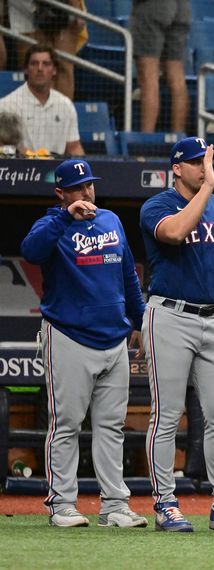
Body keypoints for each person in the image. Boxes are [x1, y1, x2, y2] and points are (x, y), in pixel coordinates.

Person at [20, 159, 147, 528]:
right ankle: (61, 504)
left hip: (114, 339)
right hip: (69, 336)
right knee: (67, 424)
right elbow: (30, 250)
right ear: (61, 193)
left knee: (111, 426)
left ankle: (114, 506)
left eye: (89, 185)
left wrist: (139, 321)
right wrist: (65, 217)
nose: (87, 193)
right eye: (77, 187)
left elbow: (127, 275)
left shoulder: (110, 220)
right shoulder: (51, 224)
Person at [139, 137, 214, 532]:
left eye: (208, 161)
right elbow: (177, 232)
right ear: (177, 168)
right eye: (198, 162)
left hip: (211, 318)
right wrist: (209, 188)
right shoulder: (158, 205)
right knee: (167, 414)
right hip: (169, 315)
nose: (205, 167)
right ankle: (165, 502)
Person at [0, 44, 83, 156]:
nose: (40, 68)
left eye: (46, 64)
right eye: (34, 63)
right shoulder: (7, 105)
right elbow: (4, 149)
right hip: (22, 170)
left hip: (56, 170)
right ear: (26, 69)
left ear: (54, 70)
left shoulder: (66, 105)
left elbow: (74, 148)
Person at [130, 0, 190, 133]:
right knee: (177, 77)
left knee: (148, 77)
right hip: (181, 7)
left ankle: (145, 142)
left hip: (152, 6)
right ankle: (178, 140)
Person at [9, 0, 86, 99]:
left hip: (66, 10)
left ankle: (65, 111)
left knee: (64, 67)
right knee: (45, 65)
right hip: (39, 10)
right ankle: (46, 108)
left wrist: (76, 10)